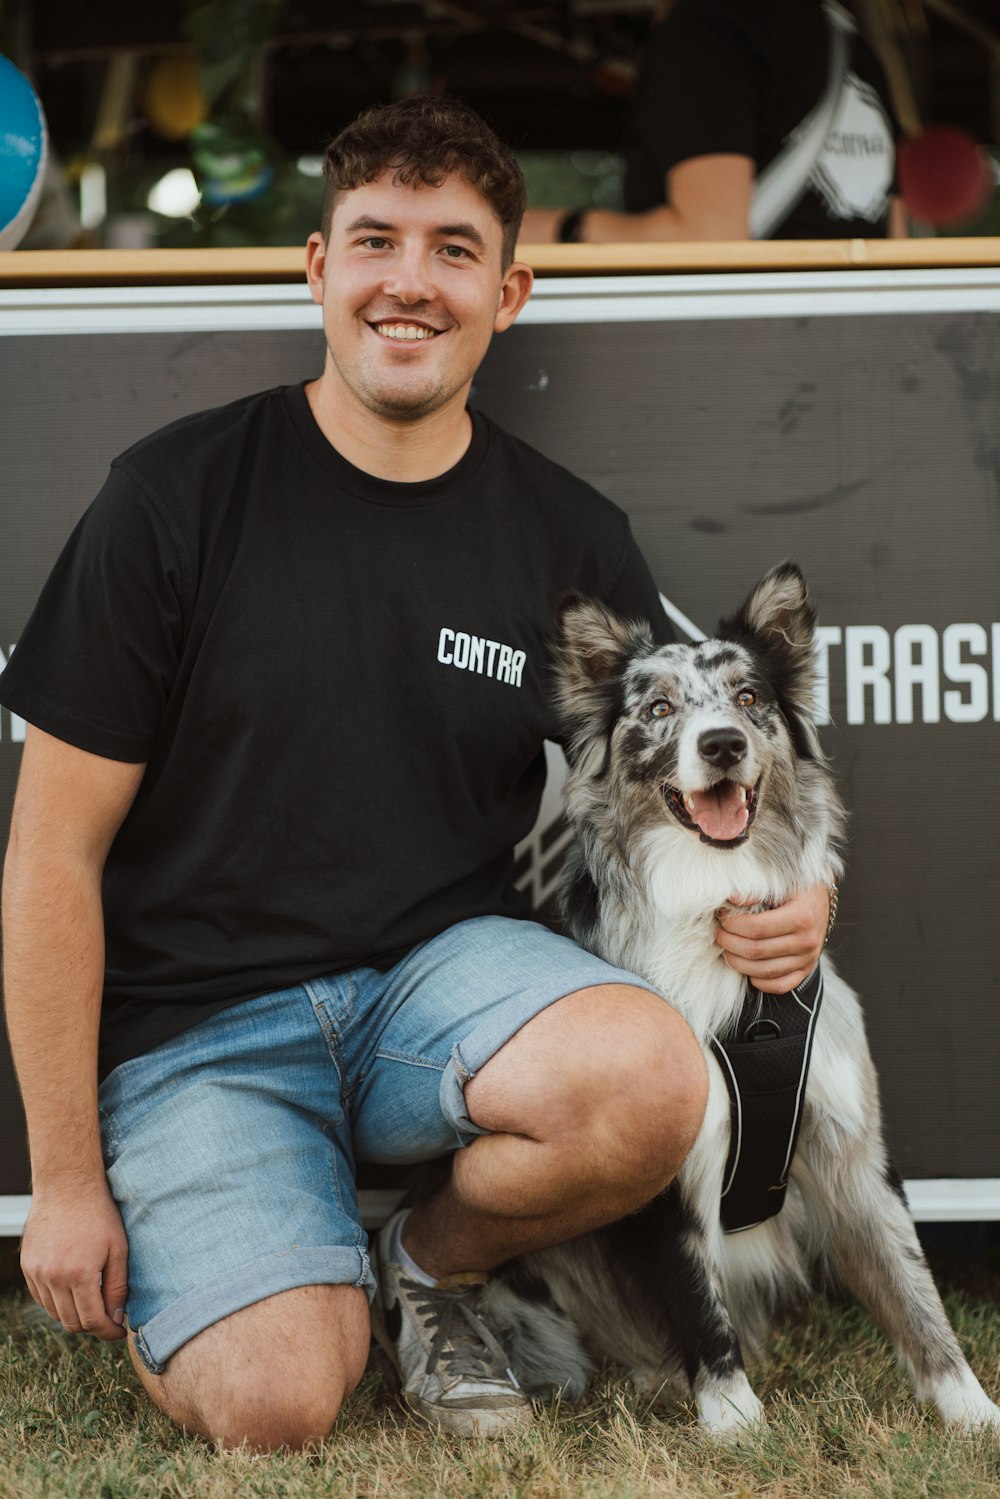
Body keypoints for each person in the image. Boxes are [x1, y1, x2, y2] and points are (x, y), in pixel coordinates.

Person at [0, 96, 831, 1452]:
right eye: (374, 239)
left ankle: (432, 1265)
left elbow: (694, 766)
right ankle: (272, 1229)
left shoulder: (567, 532)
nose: (409, 279)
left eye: (452, 249)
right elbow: (50, 854)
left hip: (433, 990)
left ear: (507, 292)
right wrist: (65, 1180)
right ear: (317, 266)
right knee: (275, 1398)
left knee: (648, 1073)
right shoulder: (173, 497)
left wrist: (795, 893)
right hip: (197, 1027)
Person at [522, 0, 907, 245]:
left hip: (749, 348)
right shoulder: (852, 43)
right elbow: (895, 238)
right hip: (857, 347)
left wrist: (560, 229)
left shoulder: (704, 31)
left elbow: (709, 239)